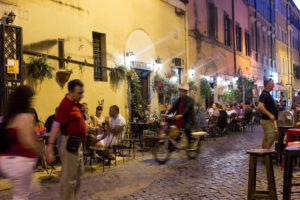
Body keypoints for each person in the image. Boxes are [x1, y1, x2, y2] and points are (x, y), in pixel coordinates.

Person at [0, 86, 43, 200]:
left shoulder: (10, 116)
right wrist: (42, 150)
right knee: (22, 196)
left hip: (9, 161)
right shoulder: (24, 117)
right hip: (20, 162)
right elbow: (27, 142)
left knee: (31, 191)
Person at [46, 79, 86, 200]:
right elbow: (56, 124)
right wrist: (50, 147)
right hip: (69, 144)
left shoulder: (74, 103)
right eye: (79, 93)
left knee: (78, 176)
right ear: (71, 91)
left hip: (77, 144)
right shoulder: (66, 105)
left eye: (83, 92)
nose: (82, 95)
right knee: (69, 180)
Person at [257, 78, 278, 149]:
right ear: (268, 85)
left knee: (267, 138)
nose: (273, 85)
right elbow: (260, 106)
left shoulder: (266, 94)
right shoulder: (265, 94)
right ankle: (266, 154)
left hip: (267, 120)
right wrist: (270, 114)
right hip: (268, 120)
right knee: (271, 137)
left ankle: (264, 156)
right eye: (272, 84)